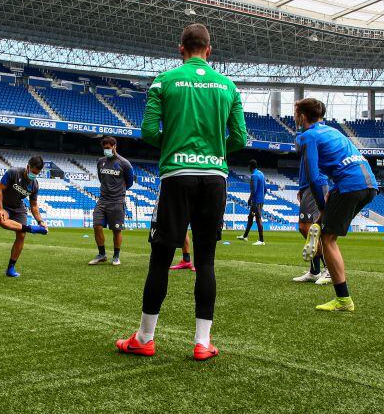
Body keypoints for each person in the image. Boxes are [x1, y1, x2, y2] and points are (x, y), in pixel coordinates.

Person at [116, 23, 246, 361]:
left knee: (160, 258)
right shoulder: (228, 86)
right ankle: (202, 343)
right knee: (206, 260)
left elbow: (148, 131)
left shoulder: (164, 81)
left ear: (181, 49)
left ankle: (145, 338)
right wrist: (213, 152)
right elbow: (239, 138)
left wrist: (175, 146)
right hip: (215, 178)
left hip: (176, 175)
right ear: (209, 50)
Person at [294, 98, 378, 313]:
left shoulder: (308, 136)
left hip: (350, 185)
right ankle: (319, 229)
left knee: (328, 239)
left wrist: (322, 206)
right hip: (369, 184)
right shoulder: (333, 131)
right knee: (325, 230)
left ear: (301, 116)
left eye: (295, 114)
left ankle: (343, 299)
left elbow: (314, 177)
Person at [0, 156, 48, 277]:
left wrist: (40, 221)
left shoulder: (34, 185)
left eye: (37, 174)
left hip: (18, 208)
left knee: (21, 235)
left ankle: (11, 268)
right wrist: (0, 209)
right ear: (28, 167)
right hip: (3, 205)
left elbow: (34, 205)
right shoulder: (13, 173)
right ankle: (31, 229)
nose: (34, 175)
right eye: (33, 172)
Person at [89, 137, 135, 266]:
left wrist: (118, 191)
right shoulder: (100, 162)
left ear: (114, 146)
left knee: (116, 230)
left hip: (117, 201)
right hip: (102, 200)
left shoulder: (124, 163)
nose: (106, 150)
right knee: (97, 226)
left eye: (108, 148)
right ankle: (102, 254)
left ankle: (116, 256)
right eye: (104, 148)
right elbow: (101, 179)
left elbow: (129, 182)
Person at [292, 134, 331, 283]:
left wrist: (298, 132)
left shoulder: (310, 133)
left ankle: (329, 269)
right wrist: (302, 188)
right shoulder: (309, 133)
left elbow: (298, 147)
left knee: (307, 228)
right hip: (308, 185)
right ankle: (315, 271)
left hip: (315, 183)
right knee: (309, 229)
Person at [238, 160, 266, 245]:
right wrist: (261, 197)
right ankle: (245, 236)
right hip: (259, 200)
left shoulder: (254, 175)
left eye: (249, 166)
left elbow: (254, 189)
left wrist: (250, 199)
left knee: (258, 219)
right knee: (250, 217)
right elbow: (265, 188)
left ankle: (261, 240)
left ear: (250, 166)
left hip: (256, 201)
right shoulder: (261, 173)